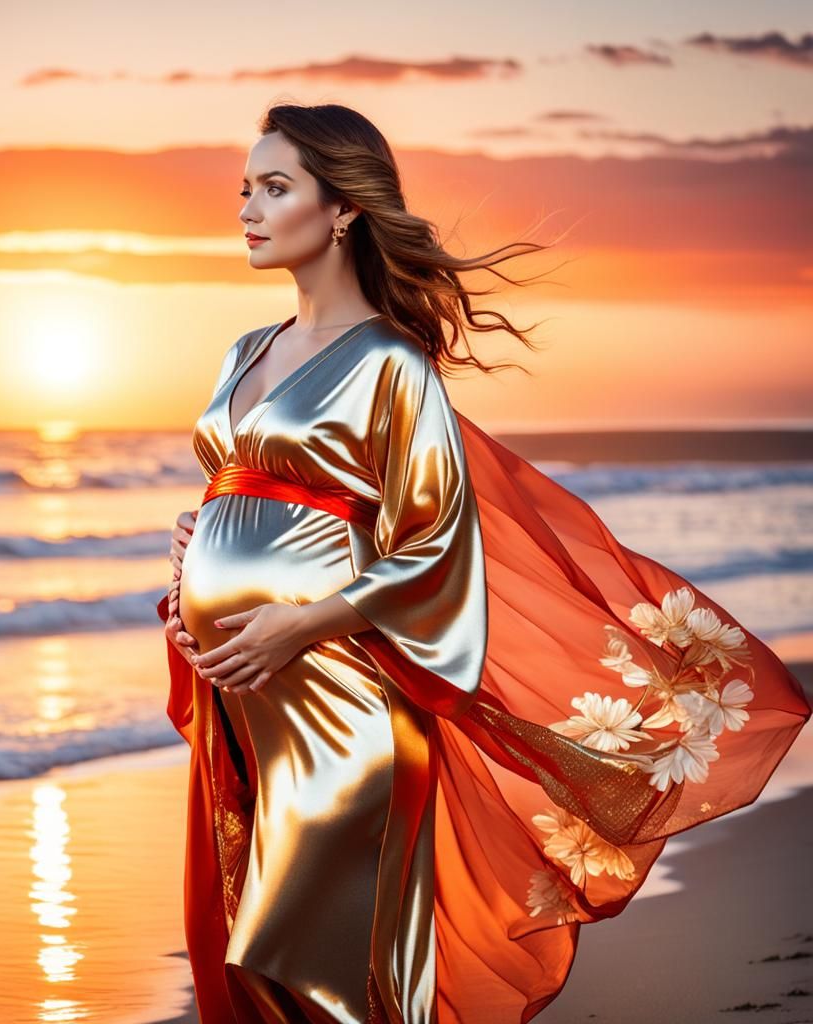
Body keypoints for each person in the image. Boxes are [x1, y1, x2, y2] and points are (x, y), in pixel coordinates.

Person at [154, 102, 811, 1024]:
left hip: (343, 692)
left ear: (342, 209)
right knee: (248, 949)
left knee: (303, 955)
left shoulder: (391, 363)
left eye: (274, 187)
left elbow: (435, 545)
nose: (247, 209)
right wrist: (200, 543)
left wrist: (298, 622)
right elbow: (247, 485)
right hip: (245, 694)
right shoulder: (245, 350)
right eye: (244, 189)